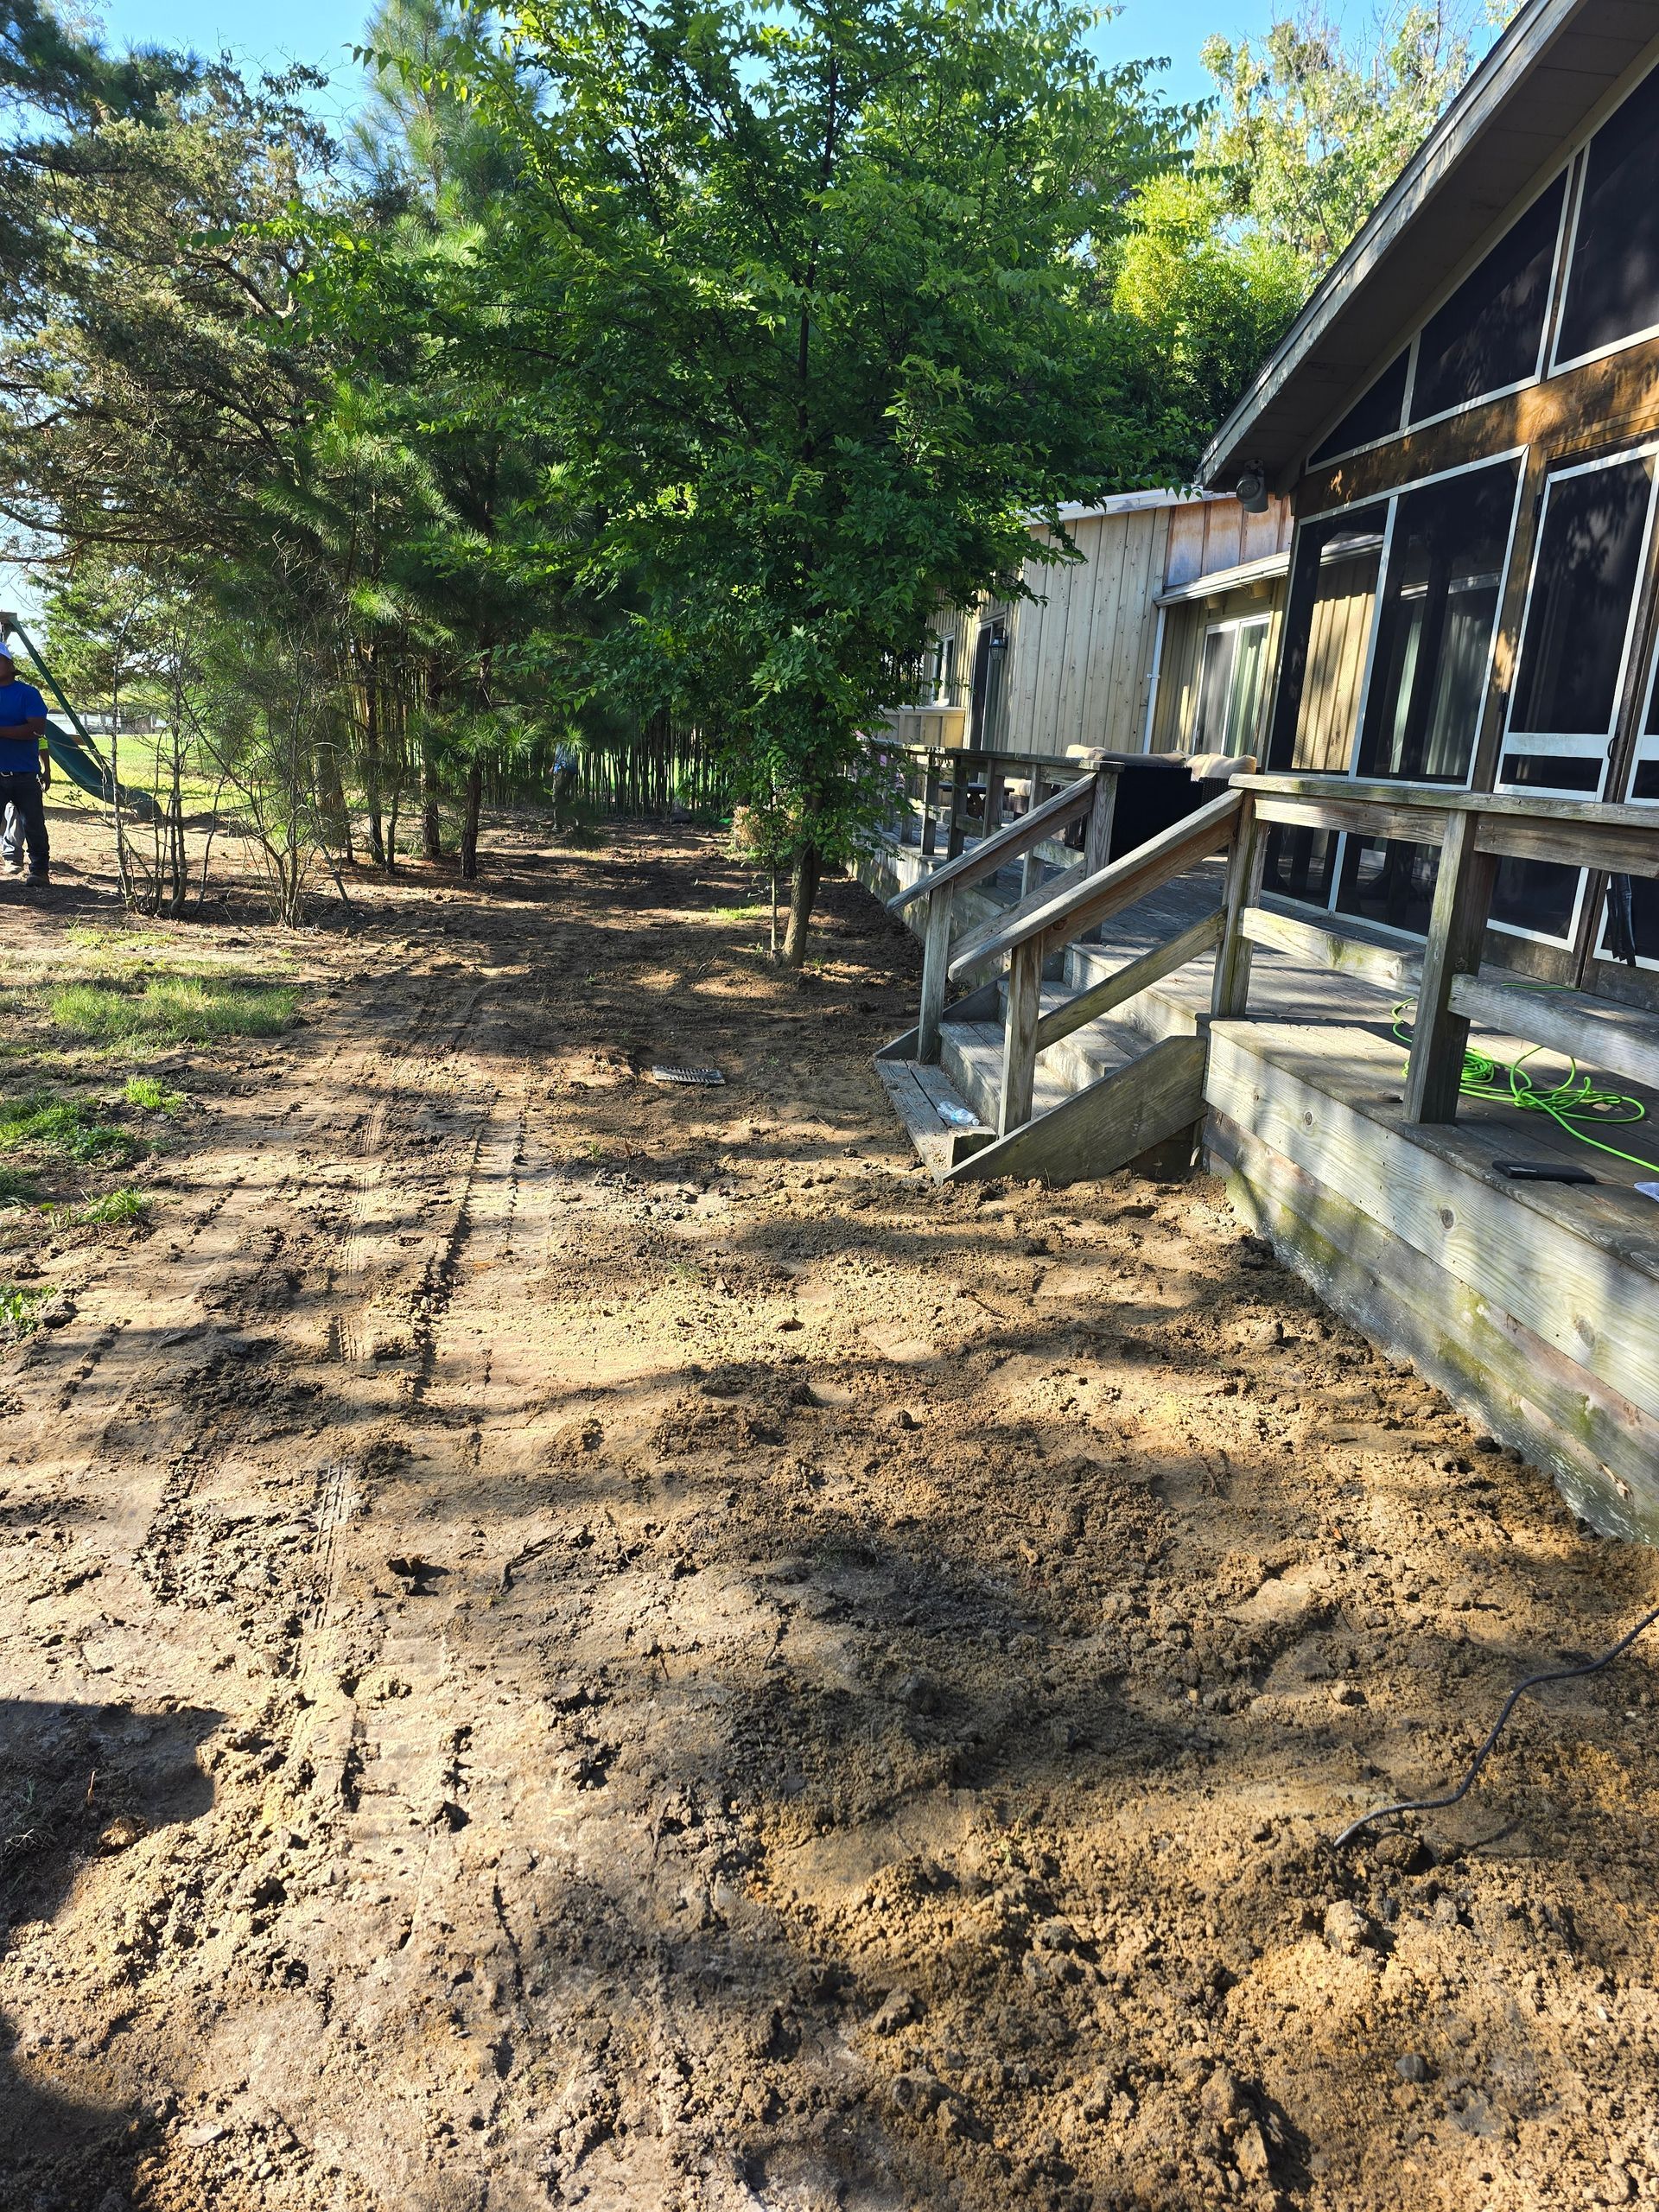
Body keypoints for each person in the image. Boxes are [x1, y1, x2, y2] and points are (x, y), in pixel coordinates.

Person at [0, 645, 50, 884]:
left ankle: (39, 871)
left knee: (33, 825)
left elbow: (36, 730)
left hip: (24, 774)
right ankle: (11, 858)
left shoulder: (27, 694)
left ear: (10, 665)